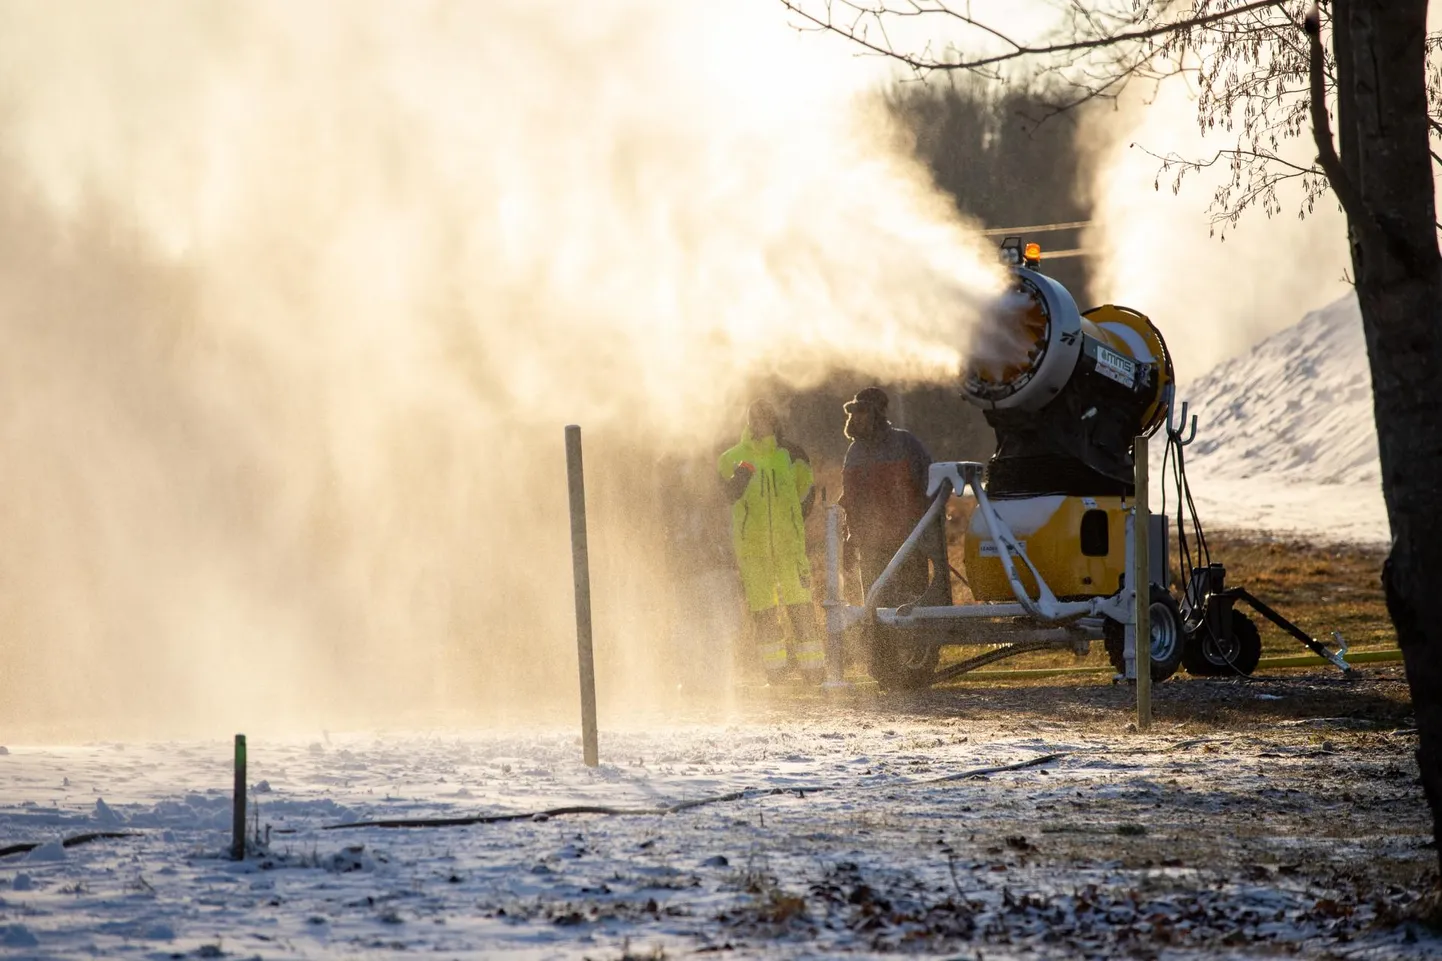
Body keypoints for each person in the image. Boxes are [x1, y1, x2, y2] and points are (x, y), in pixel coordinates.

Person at [717, 400, 823, 684]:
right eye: (756, 418)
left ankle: (814, 671)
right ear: (748, 421)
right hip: (753, 551)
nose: (761, 424)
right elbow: (725, 497)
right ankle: (776, 674)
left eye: (766, 418)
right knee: (764, 612)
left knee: (800, 607)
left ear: (775, 421)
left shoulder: (792, 454)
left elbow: (807, 492)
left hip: (790, 548)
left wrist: (793, 522)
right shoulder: (731, 458)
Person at [838, 387, 936, 605]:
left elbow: (932, 487)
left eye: (862, 411)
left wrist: (925, 530)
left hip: (907, 544)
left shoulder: (906, 444)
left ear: (878, 413)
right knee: (876, 607)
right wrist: (849, 540)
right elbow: (851, 501)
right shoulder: (853, 453)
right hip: (870, 547)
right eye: (853, 412)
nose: (856, 417)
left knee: (911, 607)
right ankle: (878, 640)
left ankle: (917, 640)